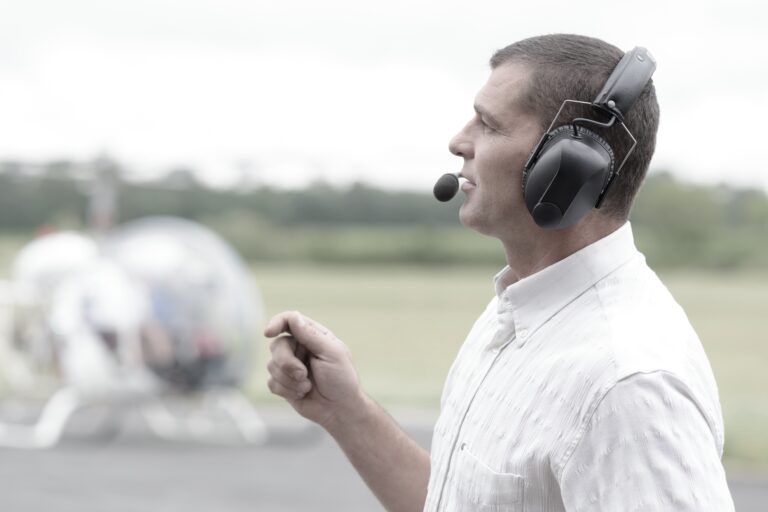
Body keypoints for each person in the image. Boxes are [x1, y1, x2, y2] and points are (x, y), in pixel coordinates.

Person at [264, 34, 735, 511]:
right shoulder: (516, 312)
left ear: (568, 166)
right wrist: (346, 411)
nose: (458, 141)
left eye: (488, 125)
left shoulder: (626, 384)